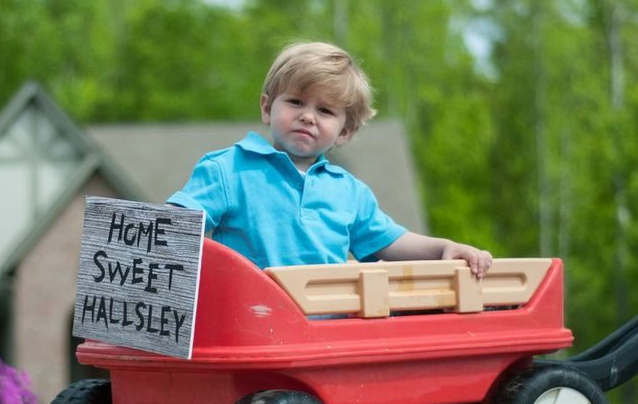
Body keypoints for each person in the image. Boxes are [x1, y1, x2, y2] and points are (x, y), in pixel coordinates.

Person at [167, 41, 493, 277]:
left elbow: (392, 241)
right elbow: (170, 228)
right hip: (251, 329)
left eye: (325, 110)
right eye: (296, 102)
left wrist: (443, 248)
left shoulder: (348, 192)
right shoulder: (227, 170)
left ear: (344, 132)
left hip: (326, 332)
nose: (308, 116)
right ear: (267, 108)